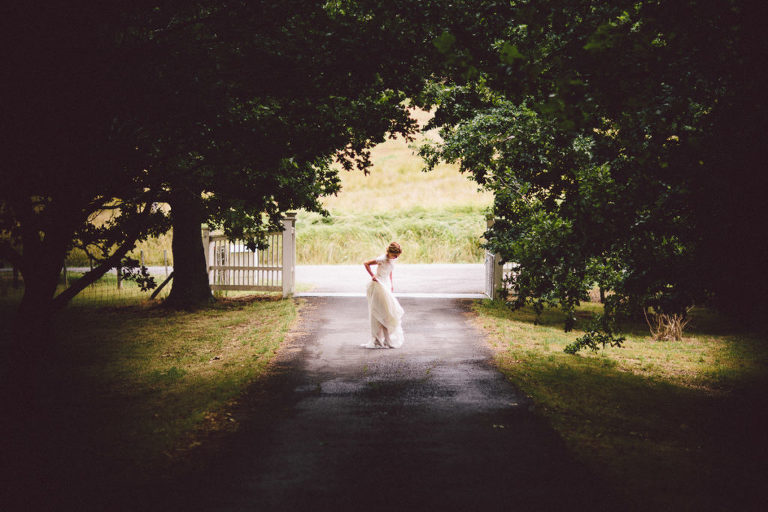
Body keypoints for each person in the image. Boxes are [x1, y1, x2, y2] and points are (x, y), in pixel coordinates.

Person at [361, 242, 404, 348]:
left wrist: (391, 283)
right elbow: (366, 263)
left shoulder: (392, 259)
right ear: (389, 253)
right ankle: (380, 339)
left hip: (386, 285)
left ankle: (385, 339)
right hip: (378, 285)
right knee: (382, 312)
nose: (395, 257)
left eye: (397, 256)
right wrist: (372, 276)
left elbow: (390, 271)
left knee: (389, 312)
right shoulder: (382, 259)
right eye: (394, 255)